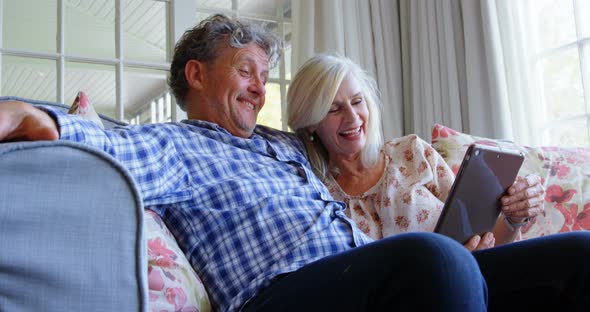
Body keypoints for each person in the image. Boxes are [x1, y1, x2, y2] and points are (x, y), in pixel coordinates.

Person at [0, 14, 589, 312]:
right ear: (197, 75)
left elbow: (348, 138)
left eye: (264, 75)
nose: (259, 88)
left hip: (357, 276)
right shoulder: (176, 144)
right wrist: (21, 112)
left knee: (575, 258)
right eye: (245, 70)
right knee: (435, 262)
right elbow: (94, 138)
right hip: (277, 297)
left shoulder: (284, 145)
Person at [286, 54, 544, 248]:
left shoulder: (411, 153)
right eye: (334, 109)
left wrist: (513, 218)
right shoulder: (315, 193)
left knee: (580, 245)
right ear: (311, 122)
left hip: (474, 273)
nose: (353, 117)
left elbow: (489, 240)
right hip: (415, 296)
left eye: (357, 101)